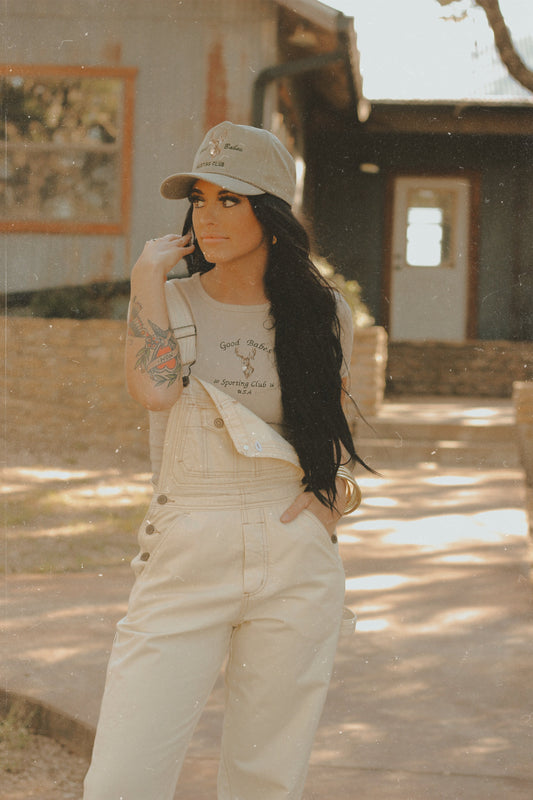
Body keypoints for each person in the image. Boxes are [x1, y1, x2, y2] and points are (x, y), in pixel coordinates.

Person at [83, 120, 363, 800]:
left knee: (265, 778)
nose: (207, 217)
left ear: (271, 213)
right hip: (189, 541)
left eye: (229, 200)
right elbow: (155, 391)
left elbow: (331, 429)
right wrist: (146, 276)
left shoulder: (324, 312)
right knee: (123, 777)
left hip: (293, 549)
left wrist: (336, 495)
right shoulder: (169, 299)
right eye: (199, 199)